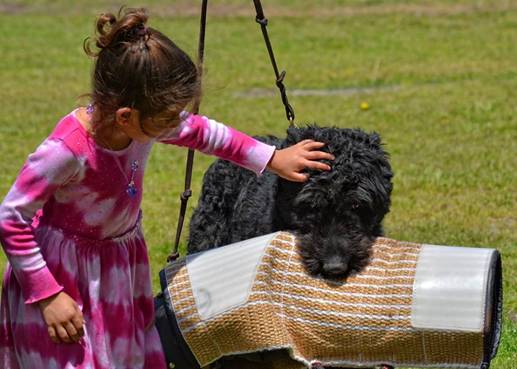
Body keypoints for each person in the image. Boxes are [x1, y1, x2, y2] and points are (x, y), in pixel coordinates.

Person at [0, 7, 334, 369]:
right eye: (166, 120)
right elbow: (11, 217)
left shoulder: (143, 120)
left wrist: (273, 159)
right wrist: (48, 296)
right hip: (63, 277)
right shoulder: (66, 151)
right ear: (126, 116)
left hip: (116, 268)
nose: (176, 127)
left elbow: (206, 133)